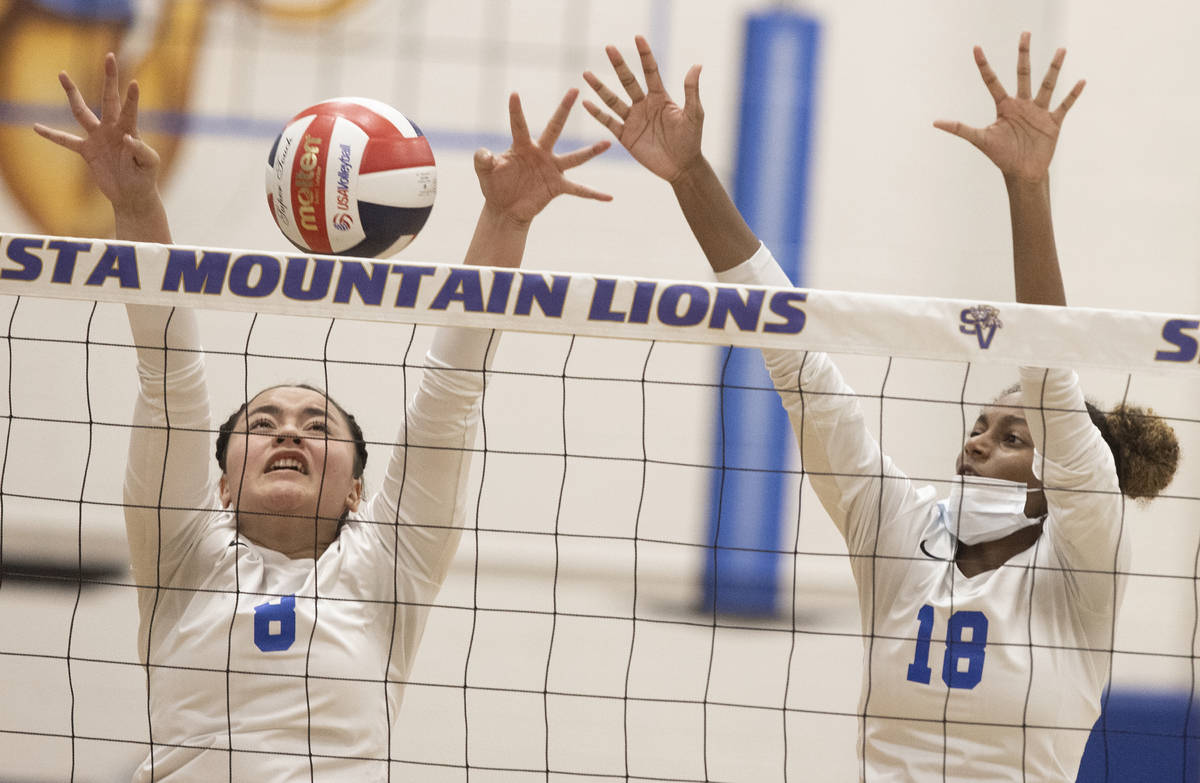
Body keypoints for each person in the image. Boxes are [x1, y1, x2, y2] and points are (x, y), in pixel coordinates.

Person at [584, 33, 1180, 781]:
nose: (977, 443)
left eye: (1010, 435)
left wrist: (1027, 186)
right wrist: (691, 176)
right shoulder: (900, 530)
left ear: (1053, 474)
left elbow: (1049, 373)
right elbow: (796, 359)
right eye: (976, 428)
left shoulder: (1082, 559)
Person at [35, 52, 612, 781]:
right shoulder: (183, 553)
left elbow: (450, 393)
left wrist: (503, 218)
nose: (288, 431)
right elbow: (168, 373)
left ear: (355, 493)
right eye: (264, 421)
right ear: (217, 486)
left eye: (318, 426)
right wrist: (135, 205)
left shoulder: (383, 571)